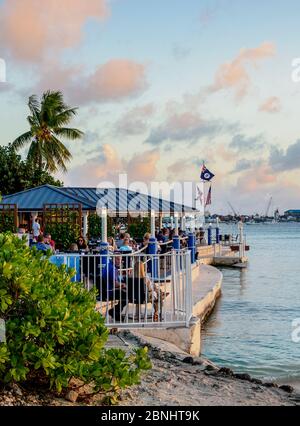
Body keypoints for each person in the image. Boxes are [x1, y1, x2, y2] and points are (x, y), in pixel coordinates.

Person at [101, 256, 127, 321]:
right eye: (118, 259)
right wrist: (123, 285)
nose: (120, 261)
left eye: (120, 259)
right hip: (110, 291)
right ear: (113, 259)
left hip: (105, 291)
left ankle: (115, 312)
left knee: (124, 293)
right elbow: (115, 284)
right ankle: (114, 312)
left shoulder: (108, 266)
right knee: (127, 295)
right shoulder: (112, 268)